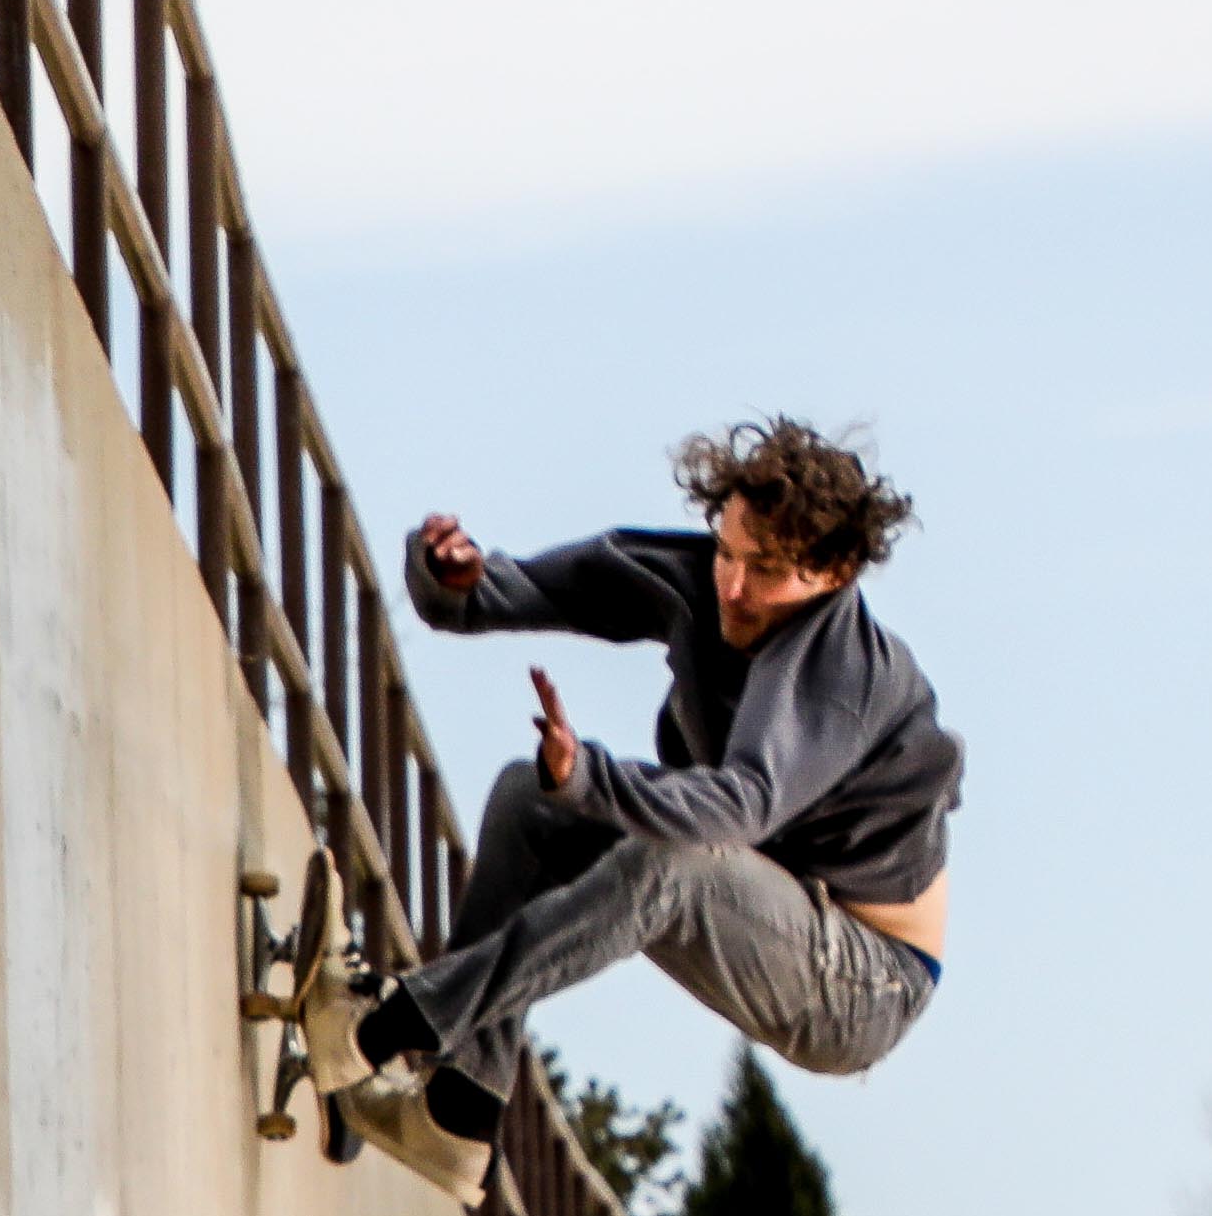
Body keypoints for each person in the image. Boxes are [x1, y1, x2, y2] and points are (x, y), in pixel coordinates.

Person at [357, 417, 959, 1138]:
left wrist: (591, 778)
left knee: (672, 861)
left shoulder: (845, 676)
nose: (733, 588)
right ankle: (459, 1106)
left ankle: (392, 1023)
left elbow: (742, 804)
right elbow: (531, 589)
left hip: (865, 981)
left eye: (766, 570)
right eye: (728, 553)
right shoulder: (699, 580)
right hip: (765, 892)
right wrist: (452, 578)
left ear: (833, 573)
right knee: (530, 800)